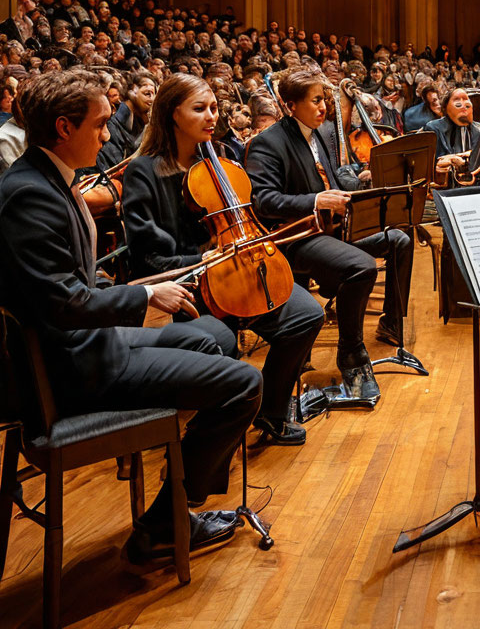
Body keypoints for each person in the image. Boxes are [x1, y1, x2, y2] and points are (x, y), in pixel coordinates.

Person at [0, 70, 262, 563]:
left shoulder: (47, 178)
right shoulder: (30, 194)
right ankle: (165, 522)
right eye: (100, 125)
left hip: (85, 344)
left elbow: (72, 285)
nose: (108, 135)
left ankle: (176, 494)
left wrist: (136, 290)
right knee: (243, 384)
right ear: (64, 128)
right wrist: (143, 299)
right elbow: (64, 303)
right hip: (73, 369)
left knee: (208, 339)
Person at [122, 74, 324, 445]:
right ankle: (211, 435)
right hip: (185, 283)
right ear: (172, 114)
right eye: (199, 109)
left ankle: (272, 413)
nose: (212, 116)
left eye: (214, 107)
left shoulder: (223, 158)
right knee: (220, 337)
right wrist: (202, 256)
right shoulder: (145, 171)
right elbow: (147, 256)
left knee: (307, 314)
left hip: (240, 267)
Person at [245, 68, 411, 398]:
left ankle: (392, 322)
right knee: (361, 266)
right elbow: (262, 200)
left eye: (324, 99)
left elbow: (330, 181)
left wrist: (355, 186)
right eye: (316, 100)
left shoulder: (321, 132)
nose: (324, 107)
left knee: (400, 239)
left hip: (333, 228)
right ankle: (351, 352)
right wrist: (316, 200)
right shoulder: (268, 143)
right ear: (290, 104)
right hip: (297, 237)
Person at [97, 70, 156, 168]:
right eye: (147, 92)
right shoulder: (112, 124)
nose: (151, 98)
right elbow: (110, 169)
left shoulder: (140, 124)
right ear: (132, 90)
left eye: (153, 94)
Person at [425, 86, 480, 183]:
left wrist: (465, 161)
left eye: (466, 99)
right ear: (446, 107)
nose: (463, 104)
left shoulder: (479, 129)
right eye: (457, 100)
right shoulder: (434, 128)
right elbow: (432, 165)